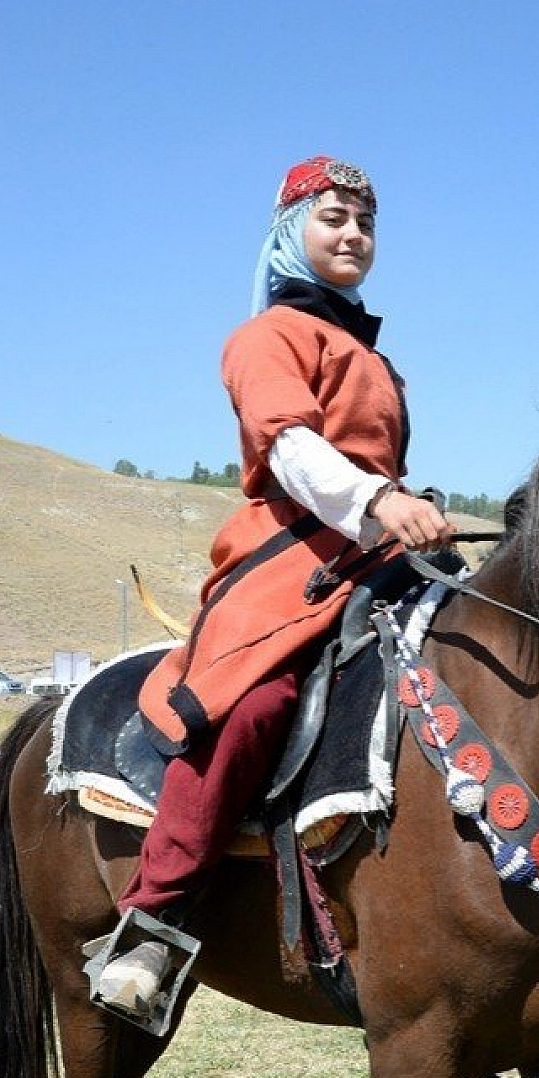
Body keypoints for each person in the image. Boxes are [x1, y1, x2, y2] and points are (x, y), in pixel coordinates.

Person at [93, 156, 454, 1019]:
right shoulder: (265, 337)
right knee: (253, 705)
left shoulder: (374, 355)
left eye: (365, 223)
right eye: (333, 218)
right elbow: (290, 450)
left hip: (381, 554)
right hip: (291, 557)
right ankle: (152, 920)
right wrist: (380, 501)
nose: (354, 235)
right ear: (290, 231)